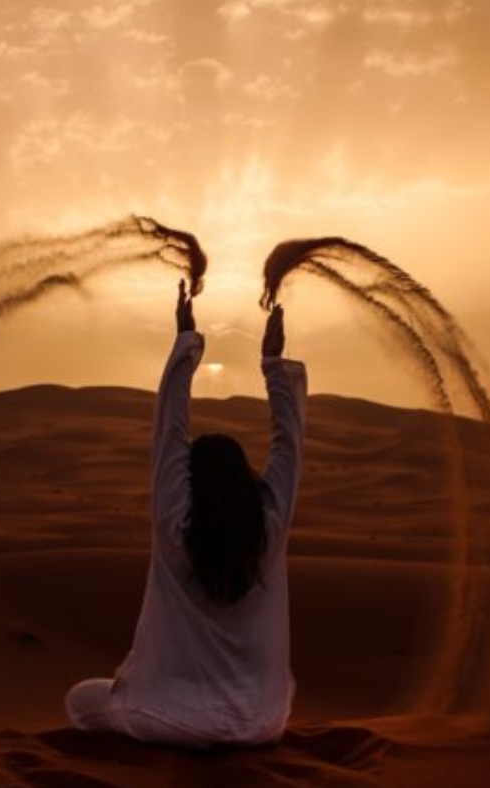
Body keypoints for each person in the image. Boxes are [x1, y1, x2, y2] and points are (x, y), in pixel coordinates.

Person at [63, 279, 308, 748]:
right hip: (262, 722)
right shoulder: (269, 527)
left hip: (166, 719)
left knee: (80, 700)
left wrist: (185, 342)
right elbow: (289, 445)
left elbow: (169, 433)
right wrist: (274, 363)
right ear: (245, 478)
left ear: (190, 480)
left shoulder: (176, 524)